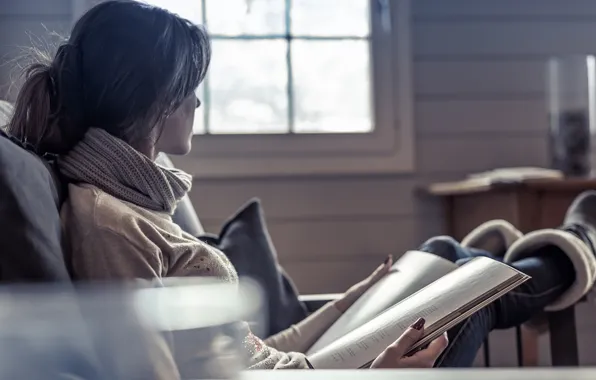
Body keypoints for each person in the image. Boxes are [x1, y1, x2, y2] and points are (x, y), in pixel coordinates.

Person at [5, 0, 595, 376]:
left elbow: (245, 350)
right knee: (468, 299)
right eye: (187, 89)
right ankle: (567, 252)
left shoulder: (133, 199)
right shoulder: (110, 223)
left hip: (305, 367)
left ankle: (524, 255)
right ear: (148, 98)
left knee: (440, 258)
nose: (197, 102)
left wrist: (349, 300)